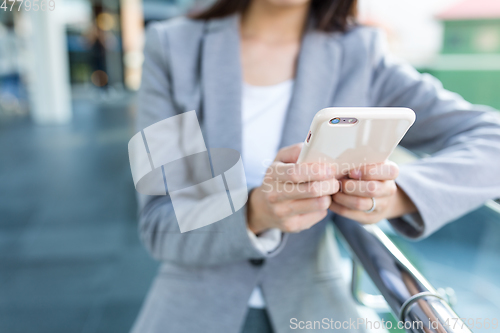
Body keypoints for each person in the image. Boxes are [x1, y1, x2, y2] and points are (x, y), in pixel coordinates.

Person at [131, 0, 500, 332]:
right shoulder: (173, 48)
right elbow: (159, 223)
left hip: (312, 310)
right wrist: (255, 212)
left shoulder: (361, 55)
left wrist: (396, 196)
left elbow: (492, 141)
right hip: (190, 310)